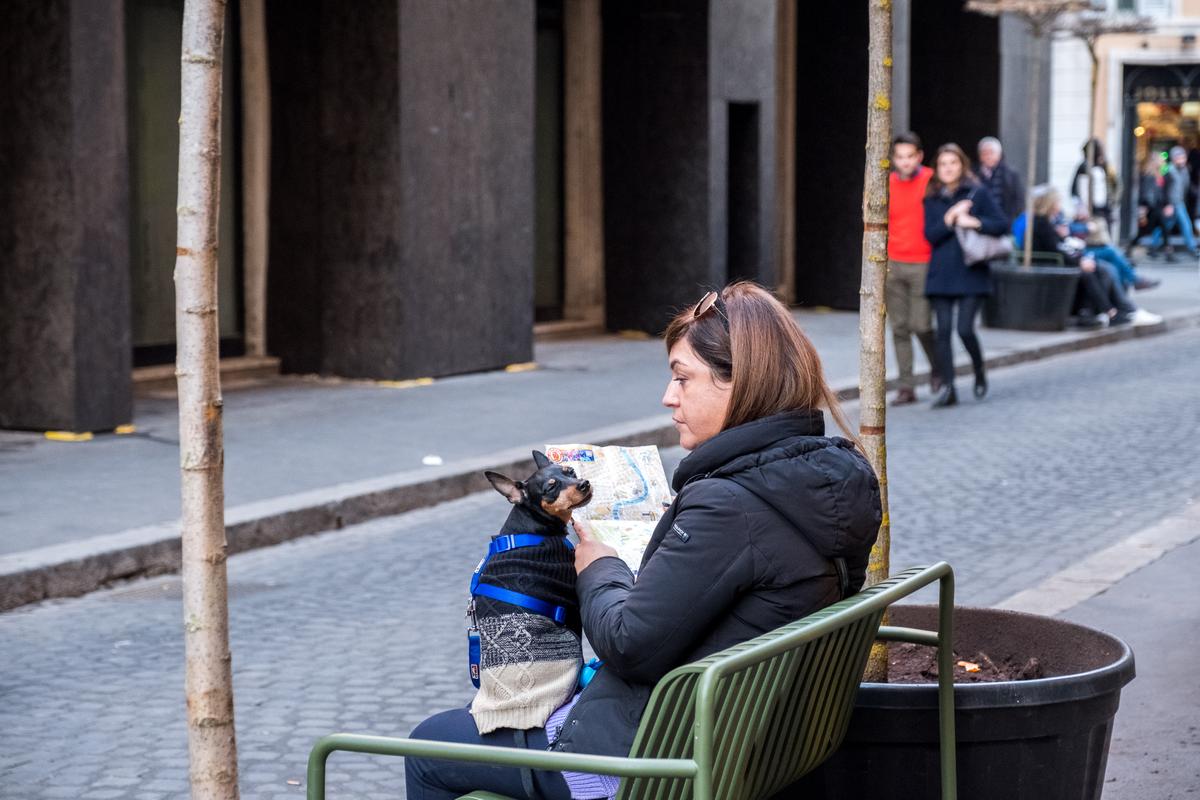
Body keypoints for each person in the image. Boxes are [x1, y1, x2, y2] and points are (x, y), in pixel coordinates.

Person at [405, 283, 883, 800]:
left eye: (682, 378)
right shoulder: (822, 483)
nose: (668, 397)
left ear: (740, 384)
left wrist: (599, 564)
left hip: (644, 758)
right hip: (750, 741)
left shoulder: (728, 506)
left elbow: (630, 645)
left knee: (427, 748)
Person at [923, 143, 1008, 408]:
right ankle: (949, 388)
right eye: (943, 164)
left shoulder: (977, 193)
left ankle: (979, 368)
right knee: (943, 332)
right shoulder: (932, 198)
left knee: (964, 330)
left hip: (972, 272)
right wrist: (950, 218)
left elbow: (1002, 224)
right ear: (937, 169)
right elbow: (931, 235)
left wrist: (975, 222)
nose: (948, 168)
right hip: (942, 273)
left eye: (953, 163)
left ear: (962, 166)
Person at [1028, 186, 1160, 328]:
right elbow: (1056, 249)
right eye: (1058, 202)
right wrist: (1079, 260)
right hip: (1053, 263)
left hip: (1066, 257)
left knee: (1104, 266)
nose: (1060, 206)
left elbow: (1060, 246)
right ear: (1049, 204)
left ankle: (1107, 310)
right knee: (1096, 270)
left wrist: (1077, 253)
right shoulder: (1042, 224)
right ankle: (1112, 311)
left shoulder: (1050, 221)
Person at [886, 132, 940, 406]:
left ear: (919, 156)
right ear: (893, 158)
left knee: (922, 324)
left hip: (924, 261)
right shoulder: (885, 182)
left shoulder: (932, 180)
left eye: (910, 156)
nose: (905, 162)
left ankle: (937, 366)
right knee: (899, 327)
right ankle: (906, 386)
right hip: (892, 262)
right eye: (900, 157)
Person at [1149, 145, 1200, 261]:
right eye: (1179, 157)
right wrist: (1167, 204)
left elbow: (1186, 186)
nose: (1182, 159)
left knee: (1166, 226)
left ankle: (1153, 246)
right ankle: (1192, 248)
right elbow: (1164, 189)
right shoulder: (1168, 170)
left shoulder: (1185, 170)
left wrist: (1195, 192)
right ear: (1173, 158)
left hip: (1179, 202)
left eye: (1183, 157)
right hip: (1172, 203)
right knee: (1185, 224)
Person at [1072, 138, 1120, 231]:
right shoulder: (1084, 167)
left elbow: (1116, 184)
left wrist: (1113, 201)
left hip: (1105, 208)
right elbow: (1078, 189)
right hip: (1090, 208)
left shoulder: (1106, 166)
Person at [977, 136, 1025, 223]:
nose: (988, 156)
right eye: (984, 153)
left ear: (999, 154)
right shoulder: (975, 175)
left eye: (991, 153)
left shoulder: (1011, 174)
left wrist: (1011, 219)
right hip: (982, 222)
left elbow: (1019, 200)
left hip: (1005, 222)